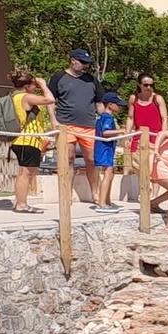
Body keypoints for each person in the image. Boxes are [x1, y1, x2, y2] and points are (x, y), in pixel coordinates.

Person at [48, 47, 117, 212]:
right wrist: (53, 120)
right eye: (82, 62)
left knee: (93, 160)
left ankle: (95, 194)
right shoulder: (59, 77)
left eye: (87, 63)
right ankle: (66, 195)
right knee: (68, 159)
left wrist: (107, 120)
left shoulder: (91, 80)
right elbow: (50, 100)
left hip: (89, 125)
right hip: (66, 125)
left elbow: (100, 103)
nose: (85, 66)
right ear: (73, 60)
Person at [0, 71, 53, 215]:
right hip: (26, 140)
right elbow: (50, 99)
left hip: (28, 140)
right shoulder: (25, 97)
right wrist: (44, 85)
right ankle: (21, 205)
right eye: (34, 85)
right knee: (25, 172)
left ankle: (21, 202)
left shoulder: (15, 97)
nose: (35, 87)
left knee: (29, 172)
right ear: (27, 86)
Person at [121, 73, 168, 202]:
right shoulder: (134, 99)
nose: (149, 87)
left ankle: (154, 195)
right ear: (139, 85)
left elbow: (164, 118)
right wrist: (127, 135)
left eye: (151, 85)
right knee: (138, 164)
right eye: (146, 85)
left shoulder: (157, 99)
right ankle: (146, 189)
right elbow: (130, 118)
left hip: (155, 136)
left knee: (154, 165)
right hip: (139, 135)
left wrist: (164, 135)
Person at [92, 91, 123, 210]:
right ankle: (102, 202)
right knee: (108, 173)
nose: (119, 107)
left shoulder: (104, 117)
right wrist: (122, 131)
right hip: (104, 149)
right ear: (110, 105)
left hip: (107, 149)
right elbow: (105, 133)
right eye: (117, 104)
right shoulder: (107, 118)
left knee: (111, 173)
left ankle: (107, 200)